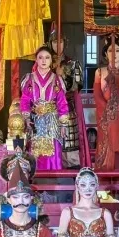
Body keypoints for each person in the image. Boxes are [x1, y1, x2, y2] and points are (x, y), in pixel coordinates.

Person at [20, 44, 71, 173]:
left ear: (51, 60)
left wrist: (63, 124)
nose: (43, 60)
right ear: (36, 60)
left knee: (53, 152)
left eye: (47, 58)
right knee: (35, 152)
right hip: (35, 121)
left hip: (52, 122)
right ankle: (36, 180)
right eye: (40, 57)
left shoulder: (57, 80)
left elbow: (62, 102)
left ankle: (54, 180)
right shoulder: (29, 79)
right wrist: (26, 119)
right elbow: (25, 100)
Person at [93, 33, 119, 171]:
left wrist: (116, 75)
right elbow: (97, 95)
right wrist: (107, 112)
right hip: (105, 115)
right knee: (105, 146)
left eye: (117, 50)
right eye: (110, 50)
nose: (114, 54)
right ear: (106, 53)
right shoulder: (99, 72)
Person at [50, 31, 86, 168]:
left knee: (70, 148)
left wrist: (63, 76)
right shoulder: (45, 62)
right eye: (54, 42)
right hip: (49, 112)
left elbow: (77, 86)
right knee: (50, 149)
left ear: (65, 43)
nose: (57, 45)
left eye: (60, 42)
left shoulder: (73, 63)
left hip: (68, 109)